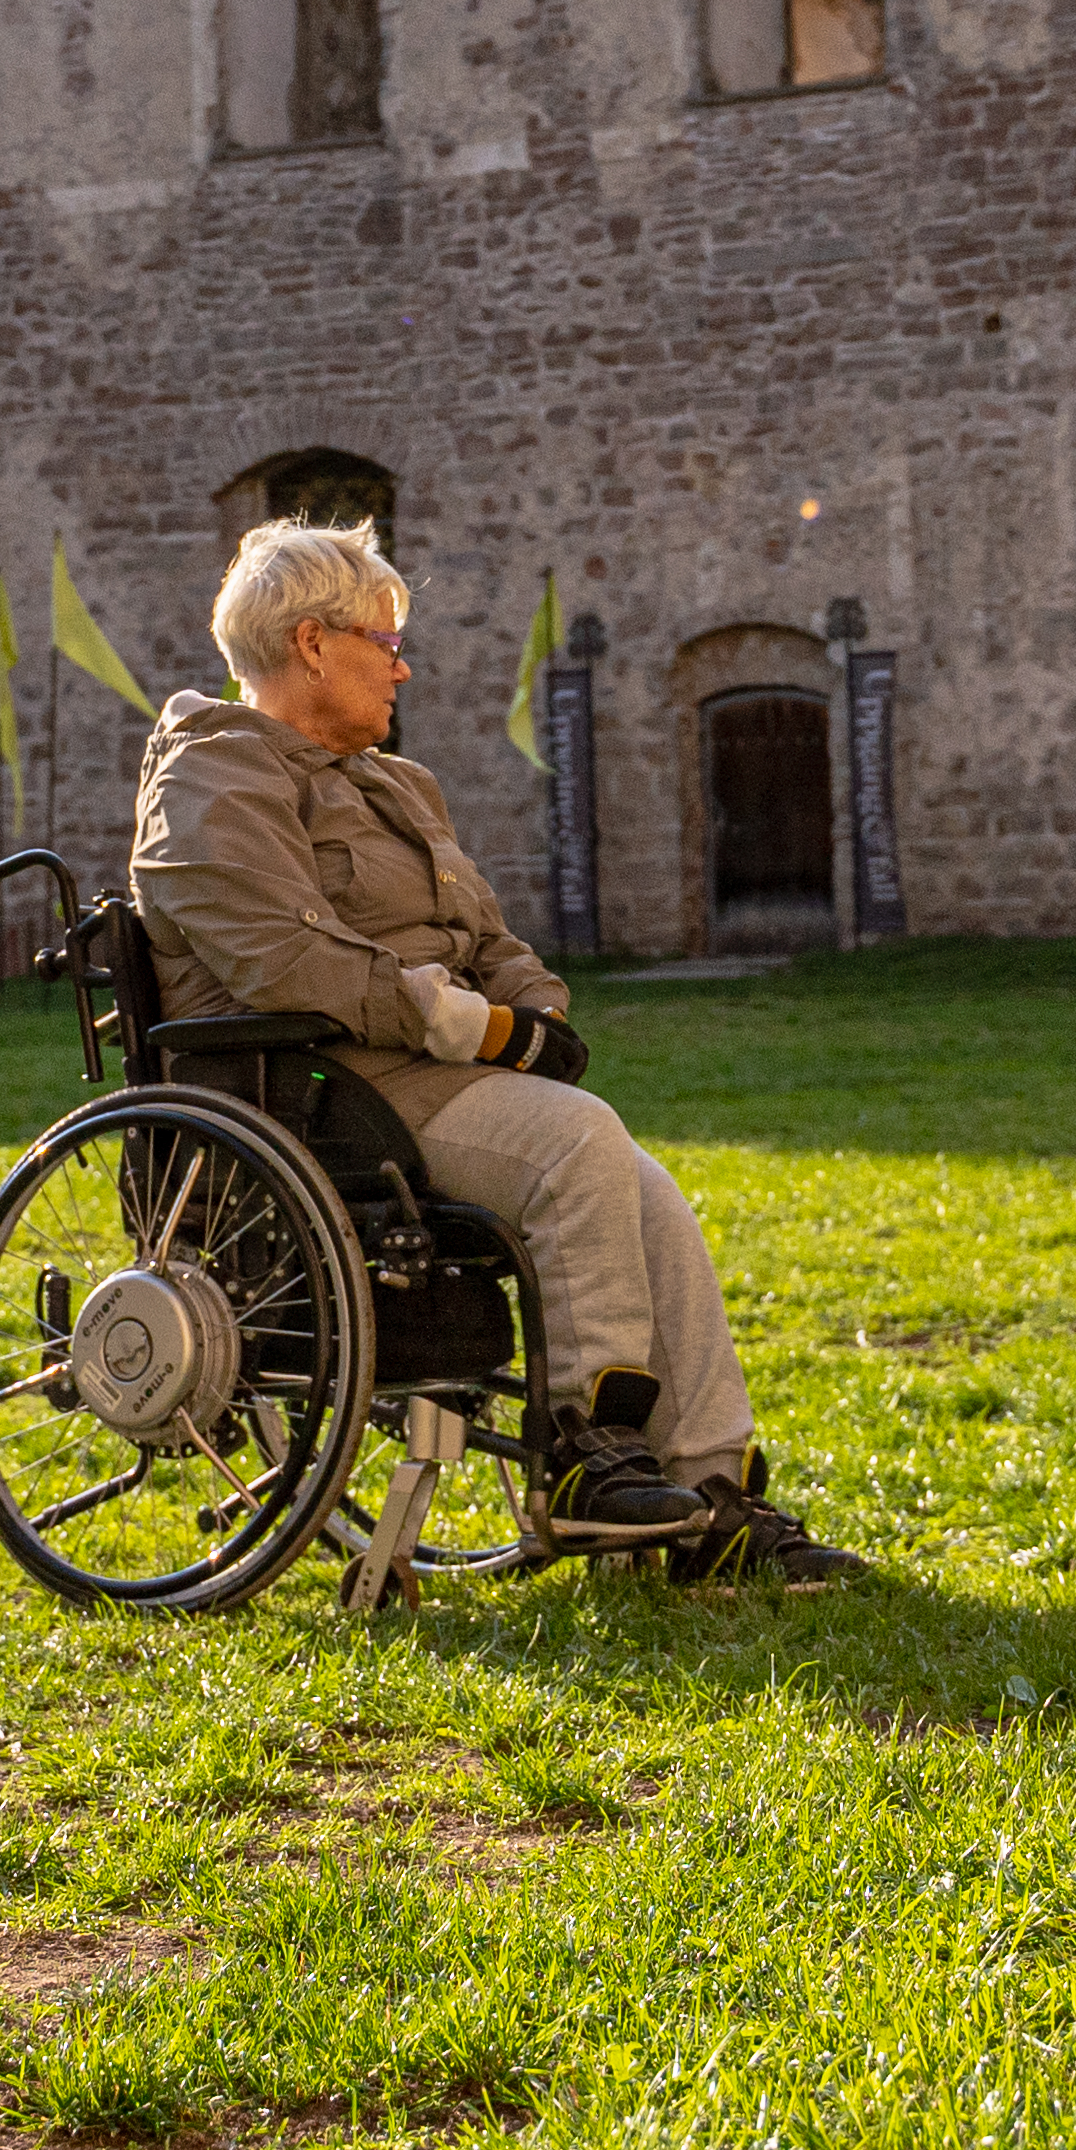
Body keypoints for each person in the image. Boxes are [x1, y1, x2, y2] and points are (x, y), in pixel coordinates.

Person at [132, 517, 864, 1591]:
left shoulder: (395, 785)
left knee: (645, 1189)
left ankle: (713, 1499)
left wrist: (533, 1009)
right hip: (322, 1092)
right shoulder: (211, 778)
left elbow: (487, 936)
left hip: (431, 1083)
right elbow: (283, 957)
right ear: (310, 644)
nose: (401, 662)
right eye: (383, 638)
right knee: (581, 1149)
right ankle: (588, 1458)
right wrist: (468, 1024)